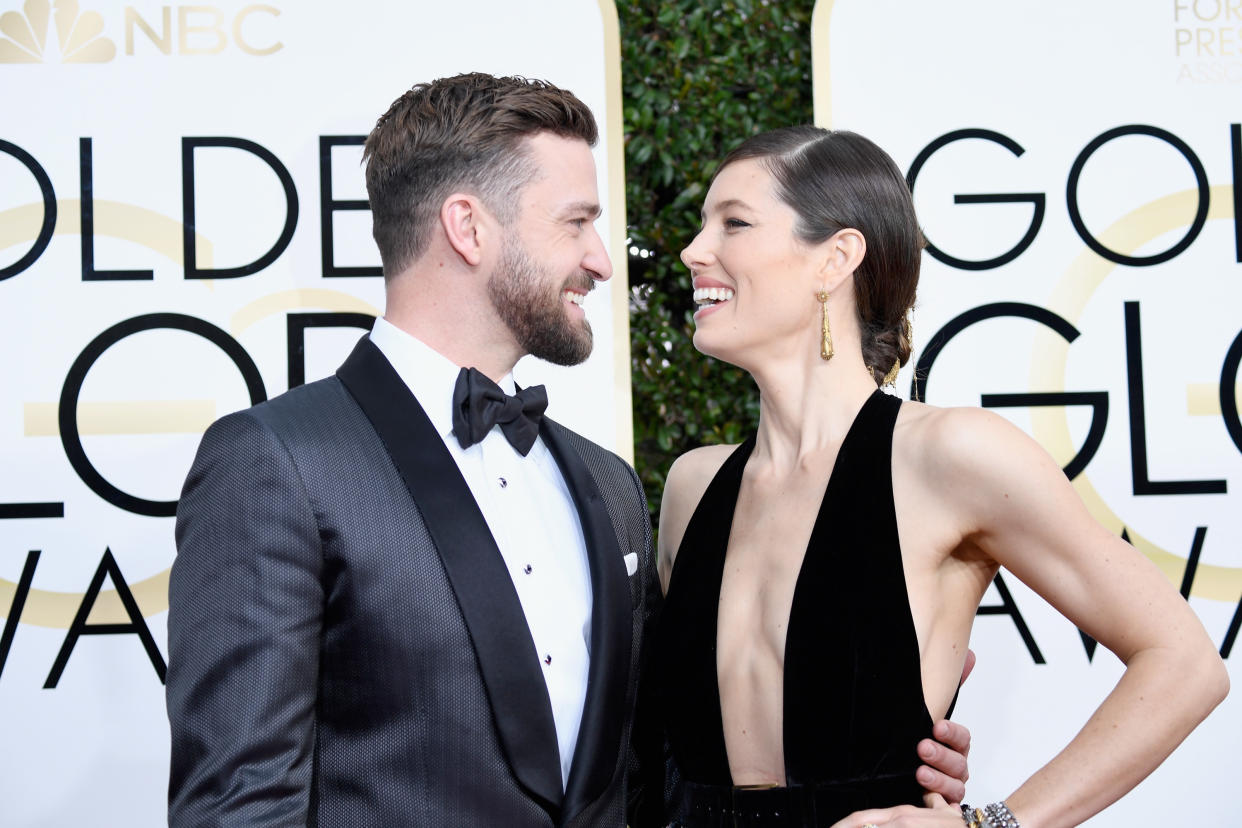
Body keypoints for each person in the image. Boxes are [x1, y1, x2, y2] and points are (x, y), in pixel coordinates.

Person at [165, 75, 970, 828]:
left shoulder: (607, 485)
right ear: (468, 227)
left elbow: (656, 768)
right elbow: (240, 805)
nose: (601, 259)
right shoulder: (278, 462)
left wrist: (887, 745)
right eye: (576, 222)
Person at [652, 125, 1229, 828]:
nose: (692, 250)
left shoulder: (948, 457)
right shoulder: (694, 487)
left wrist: (992, 824)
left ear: (836, 257)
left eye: (734, 223)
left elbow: (1185, 664)